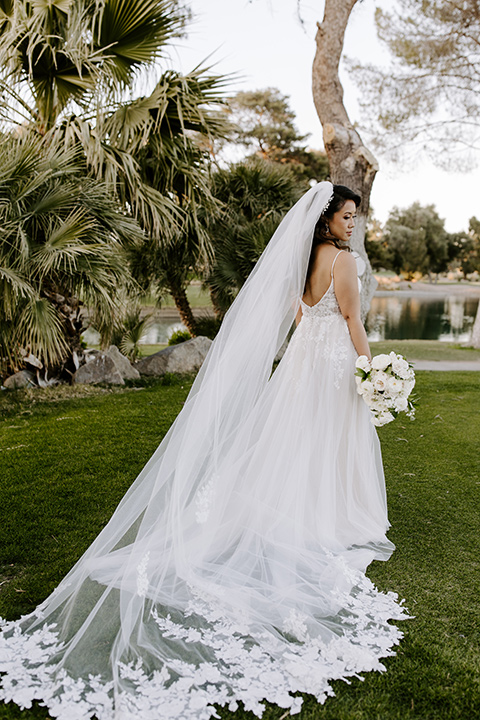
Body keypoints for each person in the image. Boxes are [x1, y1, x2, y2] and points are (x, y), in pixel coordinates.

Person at [0, 181, 408, 720]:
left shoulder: (303, 259)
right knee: (328, 441)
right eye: (347, 216)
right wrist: (370, 370)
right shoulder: (345, 263)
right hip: (333, 362)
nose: (353, 224)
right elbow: (354, 320)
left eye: (357, 217)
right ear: (327, 217)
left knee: (294, 440)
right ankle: (328, 517)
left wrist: (316, 352)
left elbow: (301, 318)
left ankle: (294, 509)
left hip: (303, 362)